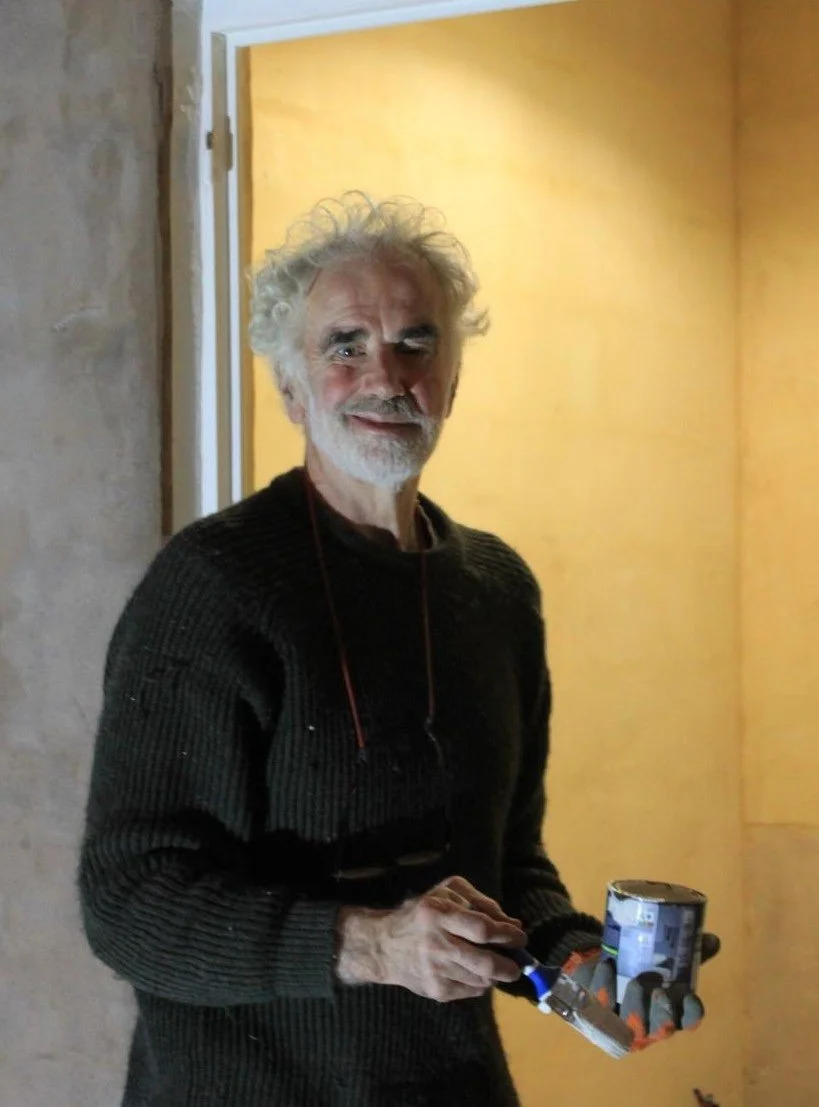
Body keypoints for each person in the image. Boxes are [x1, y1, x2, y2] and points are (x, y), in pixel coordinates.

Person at [78, 194, 713, 1106]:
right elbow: (129, 905)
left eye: (416, 343)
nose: (385, 374)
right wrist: (371, 943)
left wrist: (577, 970)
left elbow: (506, 865)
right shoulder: (215, 586)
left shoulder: (494, 590)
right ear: (291, 387)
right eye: (344, 345)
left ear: (452, 380)